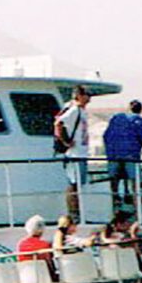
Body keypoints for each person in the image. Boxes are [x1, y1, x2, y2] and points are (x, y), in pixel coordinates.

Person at [54, 85, 91, 222]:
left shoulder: (82, 111)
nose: (89, 98)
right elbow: (58, 123)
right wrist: (66, 142)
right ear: (79, 96)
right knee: (73, 184)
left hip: (81, 154)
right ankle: (74, 215)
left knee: (78, 184)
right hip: (74, 155)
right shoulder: (74, 110)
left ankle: (77, 214)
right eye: (87, 94)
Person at [103, 100, 142, 210]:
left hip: (114, 154)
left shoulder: (116, 118)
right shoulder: (139, 121)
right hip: (131, 155)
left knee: (114, 179)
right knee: (134, 181)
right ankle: (136, 205)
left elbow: (106, 135)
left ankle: (115, 200)